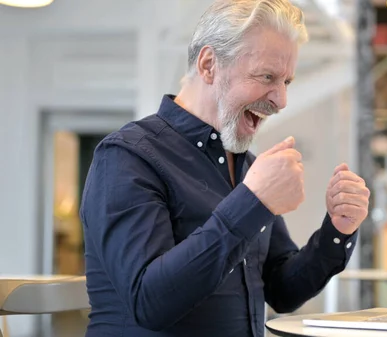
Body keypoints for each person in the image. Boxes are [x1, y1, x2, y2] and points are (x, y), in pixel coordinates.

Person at [78, 0, 370, 336]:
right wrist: (252, 202)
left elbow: (281, 289)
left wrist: (337, 231)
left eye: (286, 82)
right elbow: (150, 302)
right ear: (208, 65)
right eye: (267, 76)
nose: (281, 100)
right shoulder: (127, 157)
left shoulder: (246, 166)